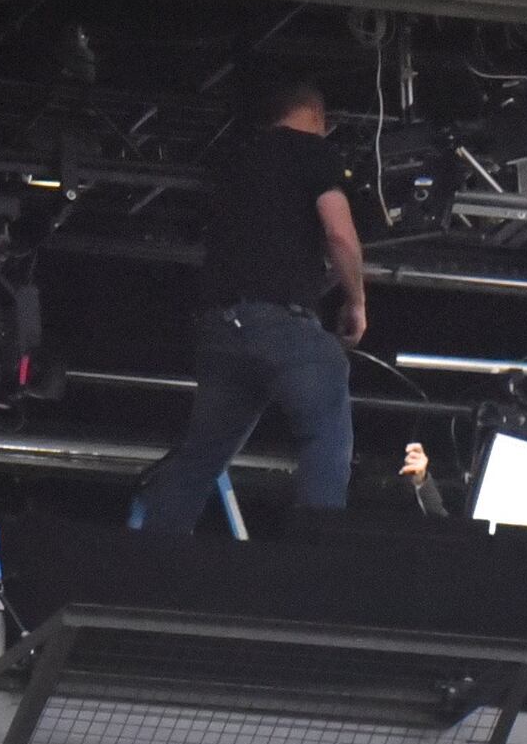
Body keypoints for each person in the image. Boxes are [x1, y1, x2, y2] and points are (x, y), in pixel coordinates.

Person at [135, 77, 370, 533]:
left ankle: (153, 549)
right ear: (317, 117)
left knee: (202, 455)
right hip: (278, 322)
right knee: (326, 424)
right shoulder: (313, 151)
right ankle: (319, 550)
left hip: (219, 329)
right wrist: (356, 301)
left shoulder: (232, 159)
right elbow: (340, 234)